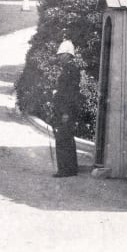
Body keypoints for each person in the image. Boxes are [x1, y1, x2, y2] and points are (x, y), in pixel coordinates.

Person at [52, 40, 80, 177]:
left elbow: (70, 94)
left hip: (66, 111)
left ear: (68, 55)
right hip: (65, 110)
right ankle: (71, 168)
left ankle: (64, 170)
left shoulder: (70, 70)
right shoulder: (69, 70)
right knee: (67, 138)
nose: (59, 57)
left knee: (63, 139)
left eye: (61, 55)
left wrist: (65, 112)